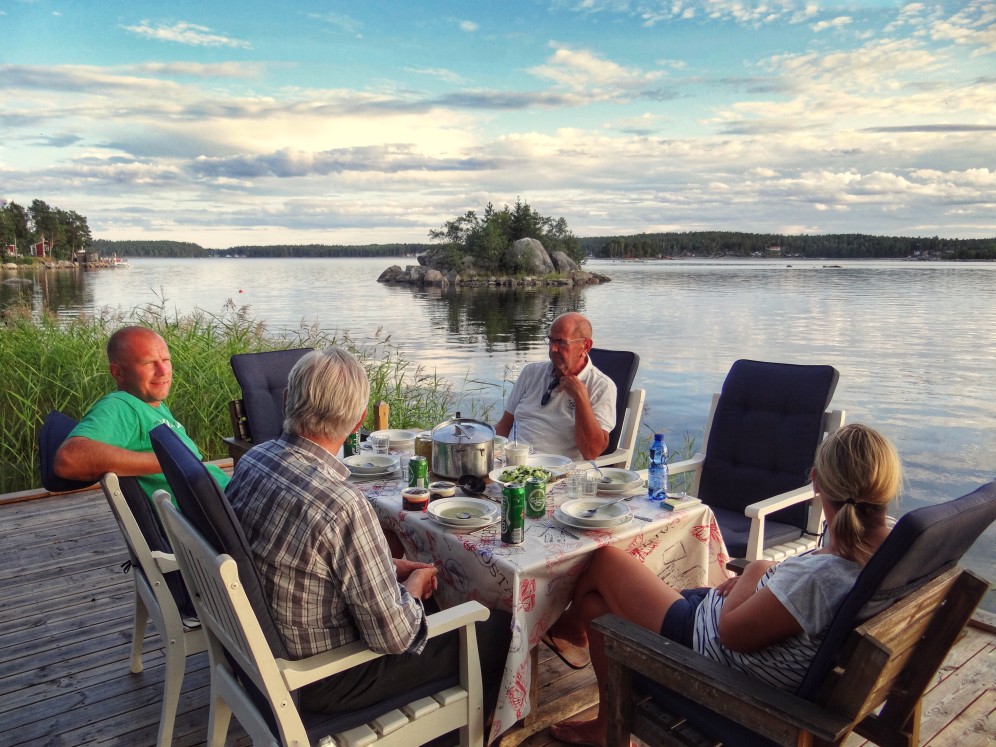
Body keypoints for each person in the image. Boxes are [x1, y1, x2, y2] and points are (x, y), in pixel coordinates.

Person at [543, 423, 902, 747]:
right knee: (595, 608)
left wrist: (754, 571)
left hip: (706, 654)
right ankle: (605, 726)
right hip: (733, 635)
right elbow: (798, 601)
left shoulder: (823, 578)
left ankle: (566, 632)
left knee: (606, 560)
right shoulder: (891, 551)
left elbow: (730, 633)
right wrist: (764, 581)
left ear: (817, 481)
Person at [225, 347, 511, 718]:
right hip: (322, 678)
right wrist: (415, 586)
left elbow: (301, 558)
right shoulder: (340, 504)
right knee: (496, 625)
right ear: (360, 420)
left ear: (285, 400)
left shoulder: (254, 459)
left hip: (262, 648)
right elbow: (396, 637)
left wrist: (387, 565)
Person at [54, 325, 230, 500]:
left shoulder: (150, 405)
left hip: (226, 495)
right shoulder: (120, 406)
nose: (163, 372)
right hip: (227, 507)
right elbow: (69, 458)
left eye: (166, 360)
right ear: (118, 372)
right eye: (148, 363)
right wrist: (171, 460)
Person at [495, 312, 616, 460]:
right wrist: (489, 453)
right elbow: (505, 424)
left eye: (561, 342)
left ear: (585, 346)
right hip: (513, 464)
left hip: (557, 472)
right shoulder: (532, 373)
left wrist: (580, 397)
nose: (553, 349)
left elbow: (591, 452)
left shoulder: (600, 386)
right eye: (551, 340)